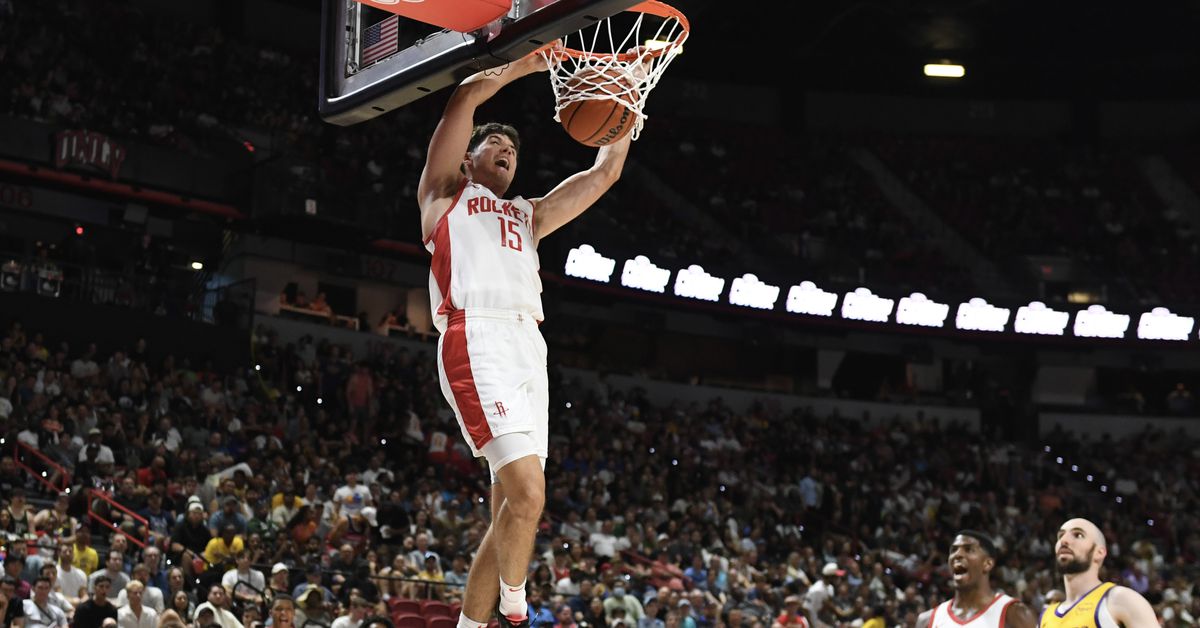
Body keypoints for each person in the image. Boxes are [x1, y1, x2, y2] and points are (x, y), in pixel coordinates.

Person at [417, 42, 632, 628]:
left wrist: (627, 102)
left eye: (514, 149)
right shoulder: (445, 196)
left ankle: (472, 622)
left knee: (515, 508)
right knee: (529, 495)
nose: (508, 152)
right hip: (475, 336)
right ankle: (515, 609)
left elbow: (605, 171)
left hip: (528, 349)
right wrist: (527, 66)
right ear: (468, 160)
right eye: (496, 146)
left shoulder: (529, 216)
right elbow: (464, 97)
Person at [1040, 518, 1159, 628]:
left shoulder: (1120, 599)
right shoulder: (1046, 616)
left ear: (1099, 553)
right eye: (1060, 535)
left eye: (1078, 535)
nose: (1064, 540)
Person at [915, 531, 1035, 628]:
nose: (958, 555)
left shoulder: (1014, 613)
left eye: (969, 550)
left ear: (987, 564)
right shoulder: (928, 620)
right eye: (953, 550)